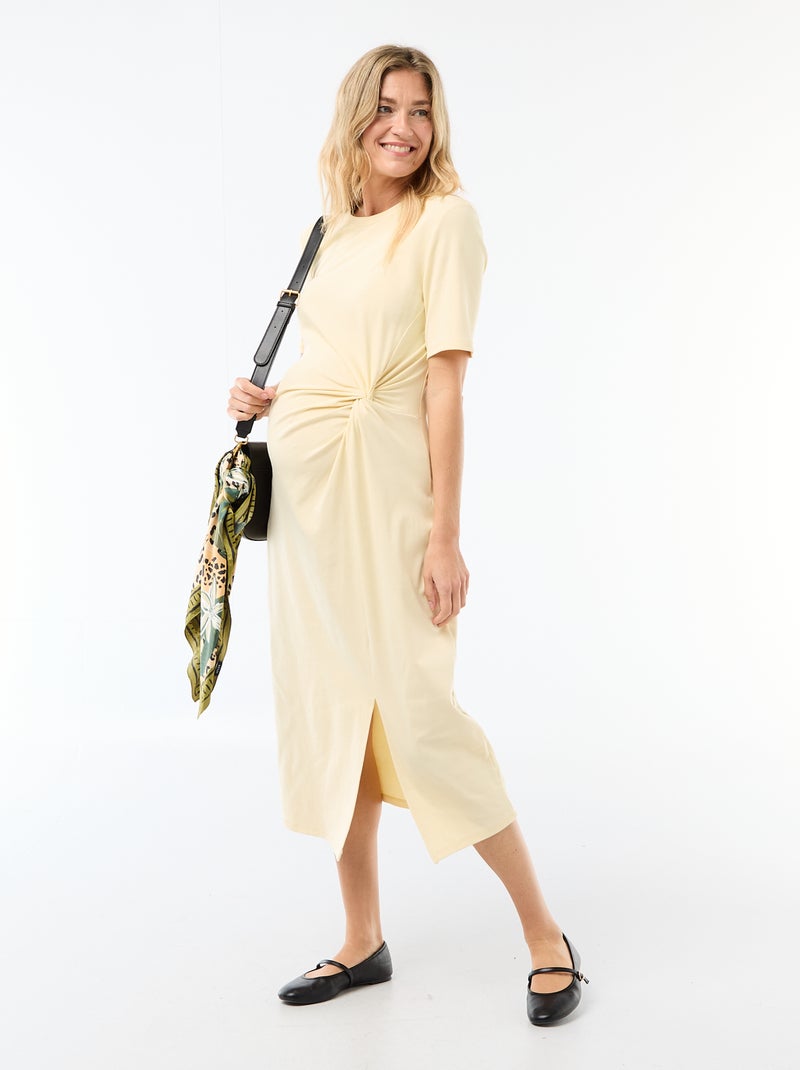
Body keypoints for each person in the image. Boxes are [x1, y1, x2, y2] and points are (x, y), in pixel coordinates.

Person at [226, 44, 589, 1027]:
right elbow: (332, 359)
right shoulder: (328, 231)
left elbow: (443, 388)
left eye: (420, 110)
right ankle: (361, 937)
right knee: (334, 705)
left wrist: (444, 537)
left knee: (422, 715)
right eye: (386, 107)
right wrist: (265, 397)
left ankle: (545, 935)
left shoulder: (447, 223)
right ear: (356, 116)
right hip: (310, 504)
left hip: (391, 500)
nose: (403, 127)